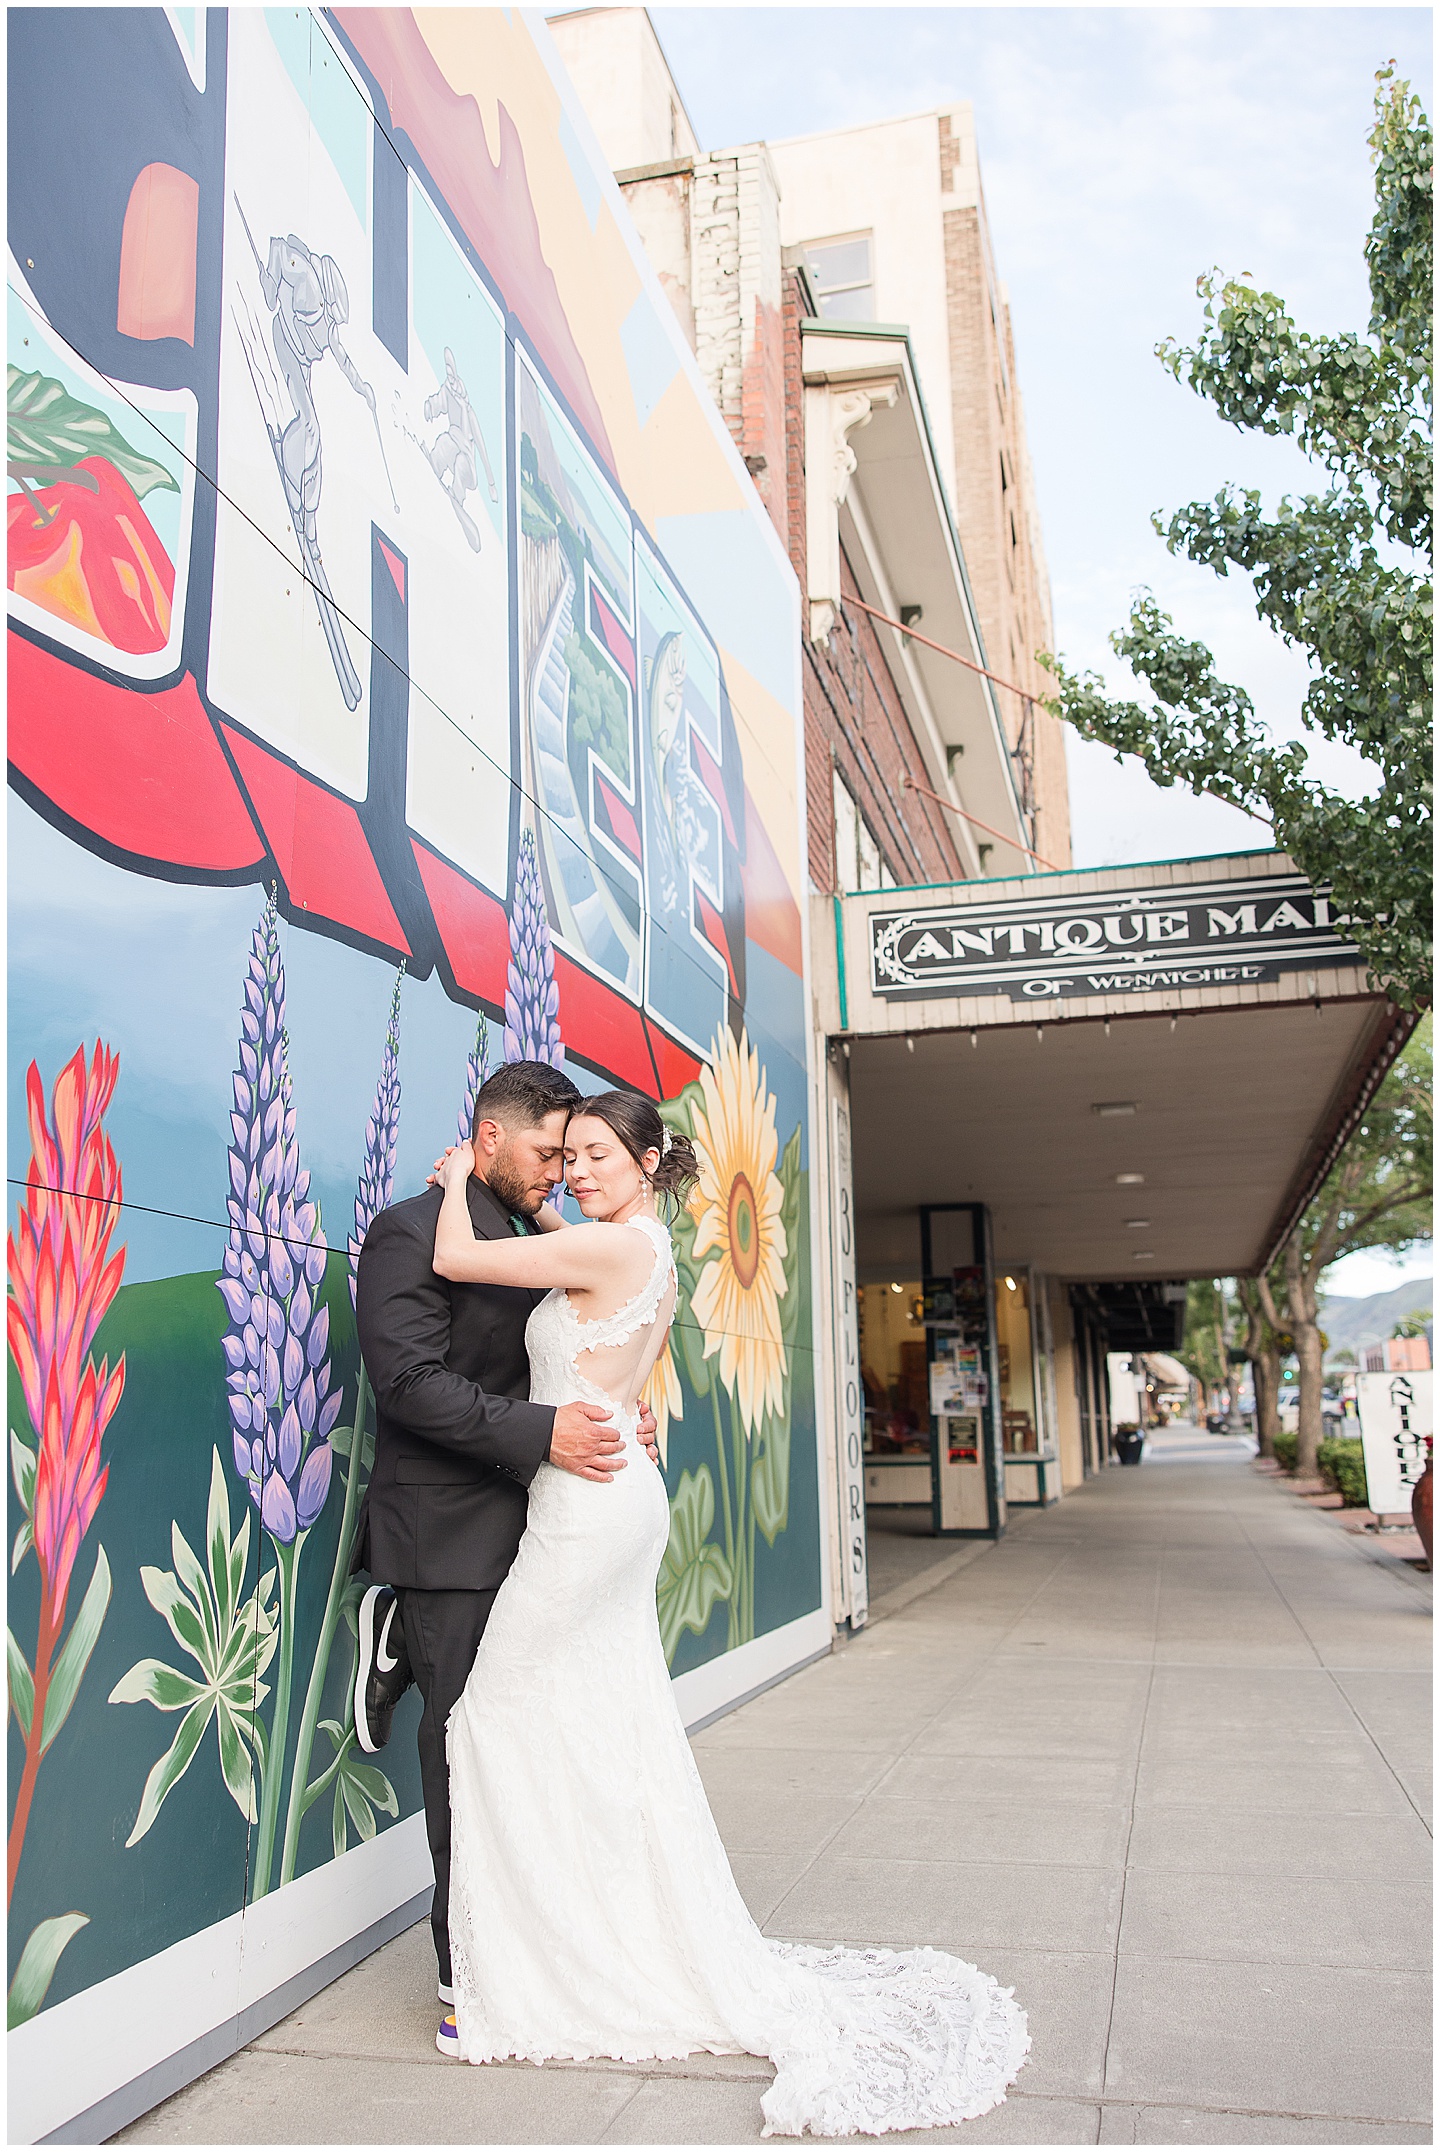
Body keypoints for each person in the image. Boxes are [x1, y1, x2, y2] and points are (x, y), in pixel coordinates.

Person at [426, 1087, 1030, 2137]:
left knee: (489, 1717)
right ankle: (600, 1937)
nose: (575, 1170)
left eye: (599, 1153)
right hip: (611, 1493)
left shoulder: (618, 1251)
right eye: (566, 1154)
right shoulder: (636, 1246)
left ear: (647, 1156)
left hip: (587, 1509)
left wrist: (449, 1185)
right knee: (602, 1720)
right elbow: (588, 1286)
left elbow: (462, 1262)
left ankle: (545, 1969)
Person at [351, 1060, 661, 2033]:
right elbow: (406, 1383)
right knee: (464, 1754)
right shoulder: (409, 1231)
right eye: (545, 1152)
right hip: (446, 1530)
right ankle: (467, 1974)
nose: (558, 1172)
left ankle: (542, 1949)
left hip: (538, 1523)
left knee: (524, 1744)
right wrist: (549, 1432)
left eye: (575, 1154)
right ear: (489, 1137)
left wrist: (621, 1405)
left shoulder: (545, 1233)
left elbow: (594, 1336)